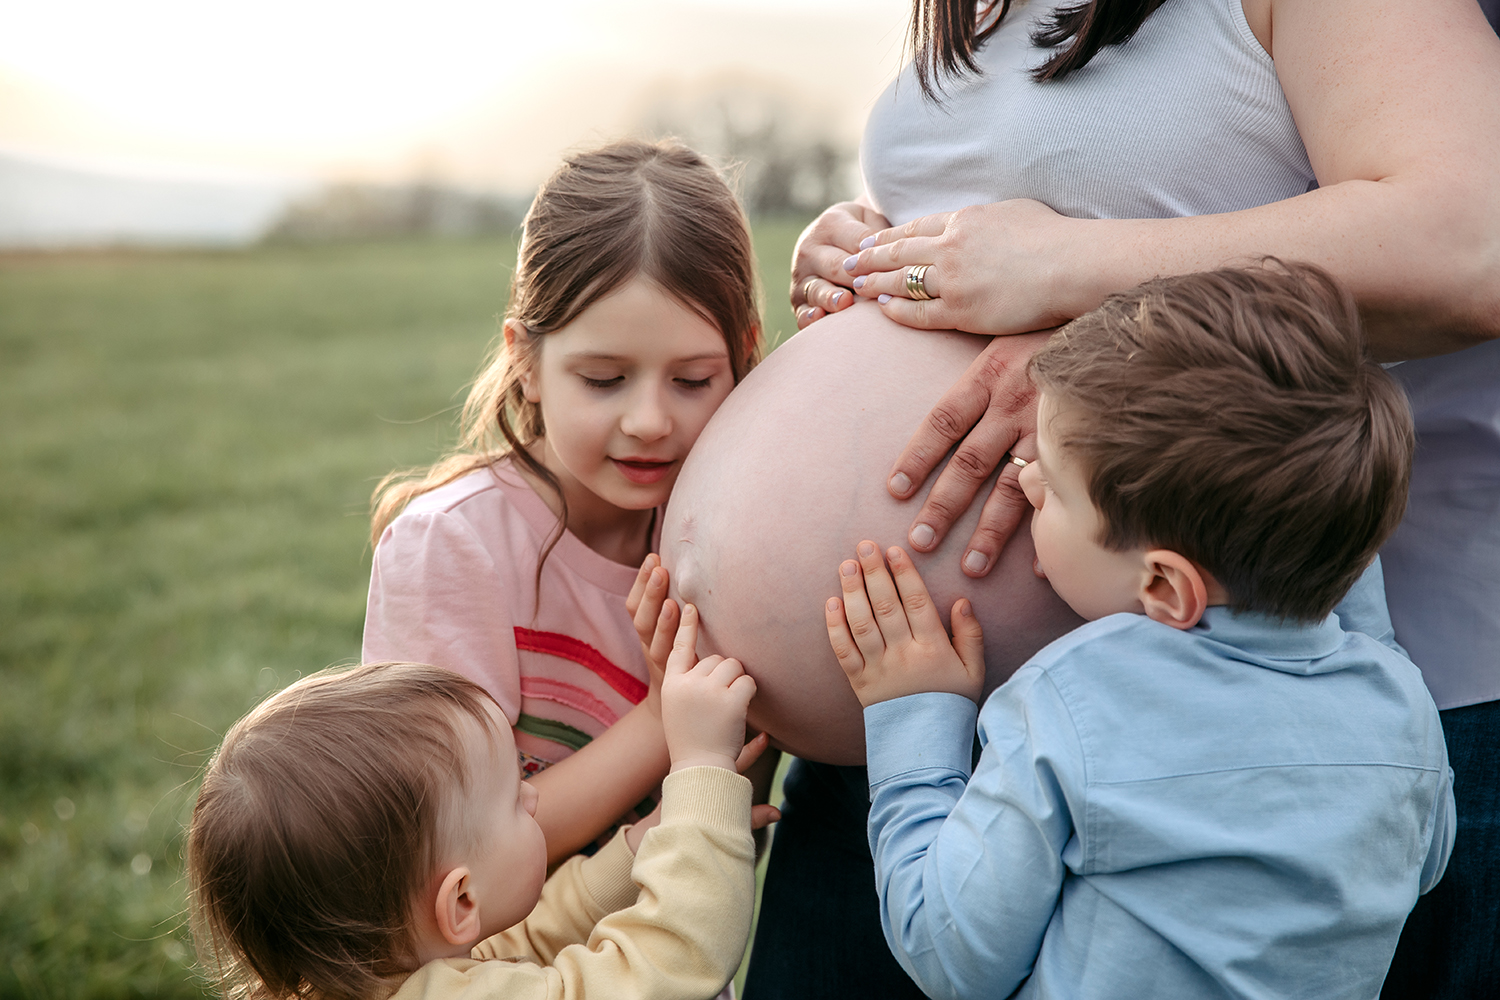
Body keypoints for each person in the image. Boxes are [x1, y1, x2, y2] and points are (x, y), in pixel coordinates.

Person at [759, 2, 1500, 994]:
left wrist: (1071, 282)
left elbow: (1469, 241)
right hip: (910, 725)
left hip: (1202, 738)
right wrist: (869, 249)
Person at [825, 264, 1454, 999]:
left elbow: (954, 954)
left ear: (1164, 586)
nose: (1025, 482)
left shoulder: (1074, 702)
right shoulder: (1400, 708)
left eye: (1055, 488)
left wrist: (917, 719)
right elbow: (1423, 861)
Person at [362, 138, 763, 866]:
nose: (649, 420)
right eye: (605, 379)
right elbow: (457, 847)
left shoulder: (738, 548)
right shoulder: (453, 549)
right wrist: (661, 718)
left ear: (744, 354)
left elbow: (739, 821)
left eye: (694, 380)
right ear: (526, 360)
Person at [187, 608, 779, 1000]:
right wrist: (702, 766)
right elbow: (670, 966)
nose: (531, 792)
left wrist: (641, 844)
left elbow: (526, 940)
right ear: (460, 900)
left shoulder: (399, 974)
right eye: (515, 793)